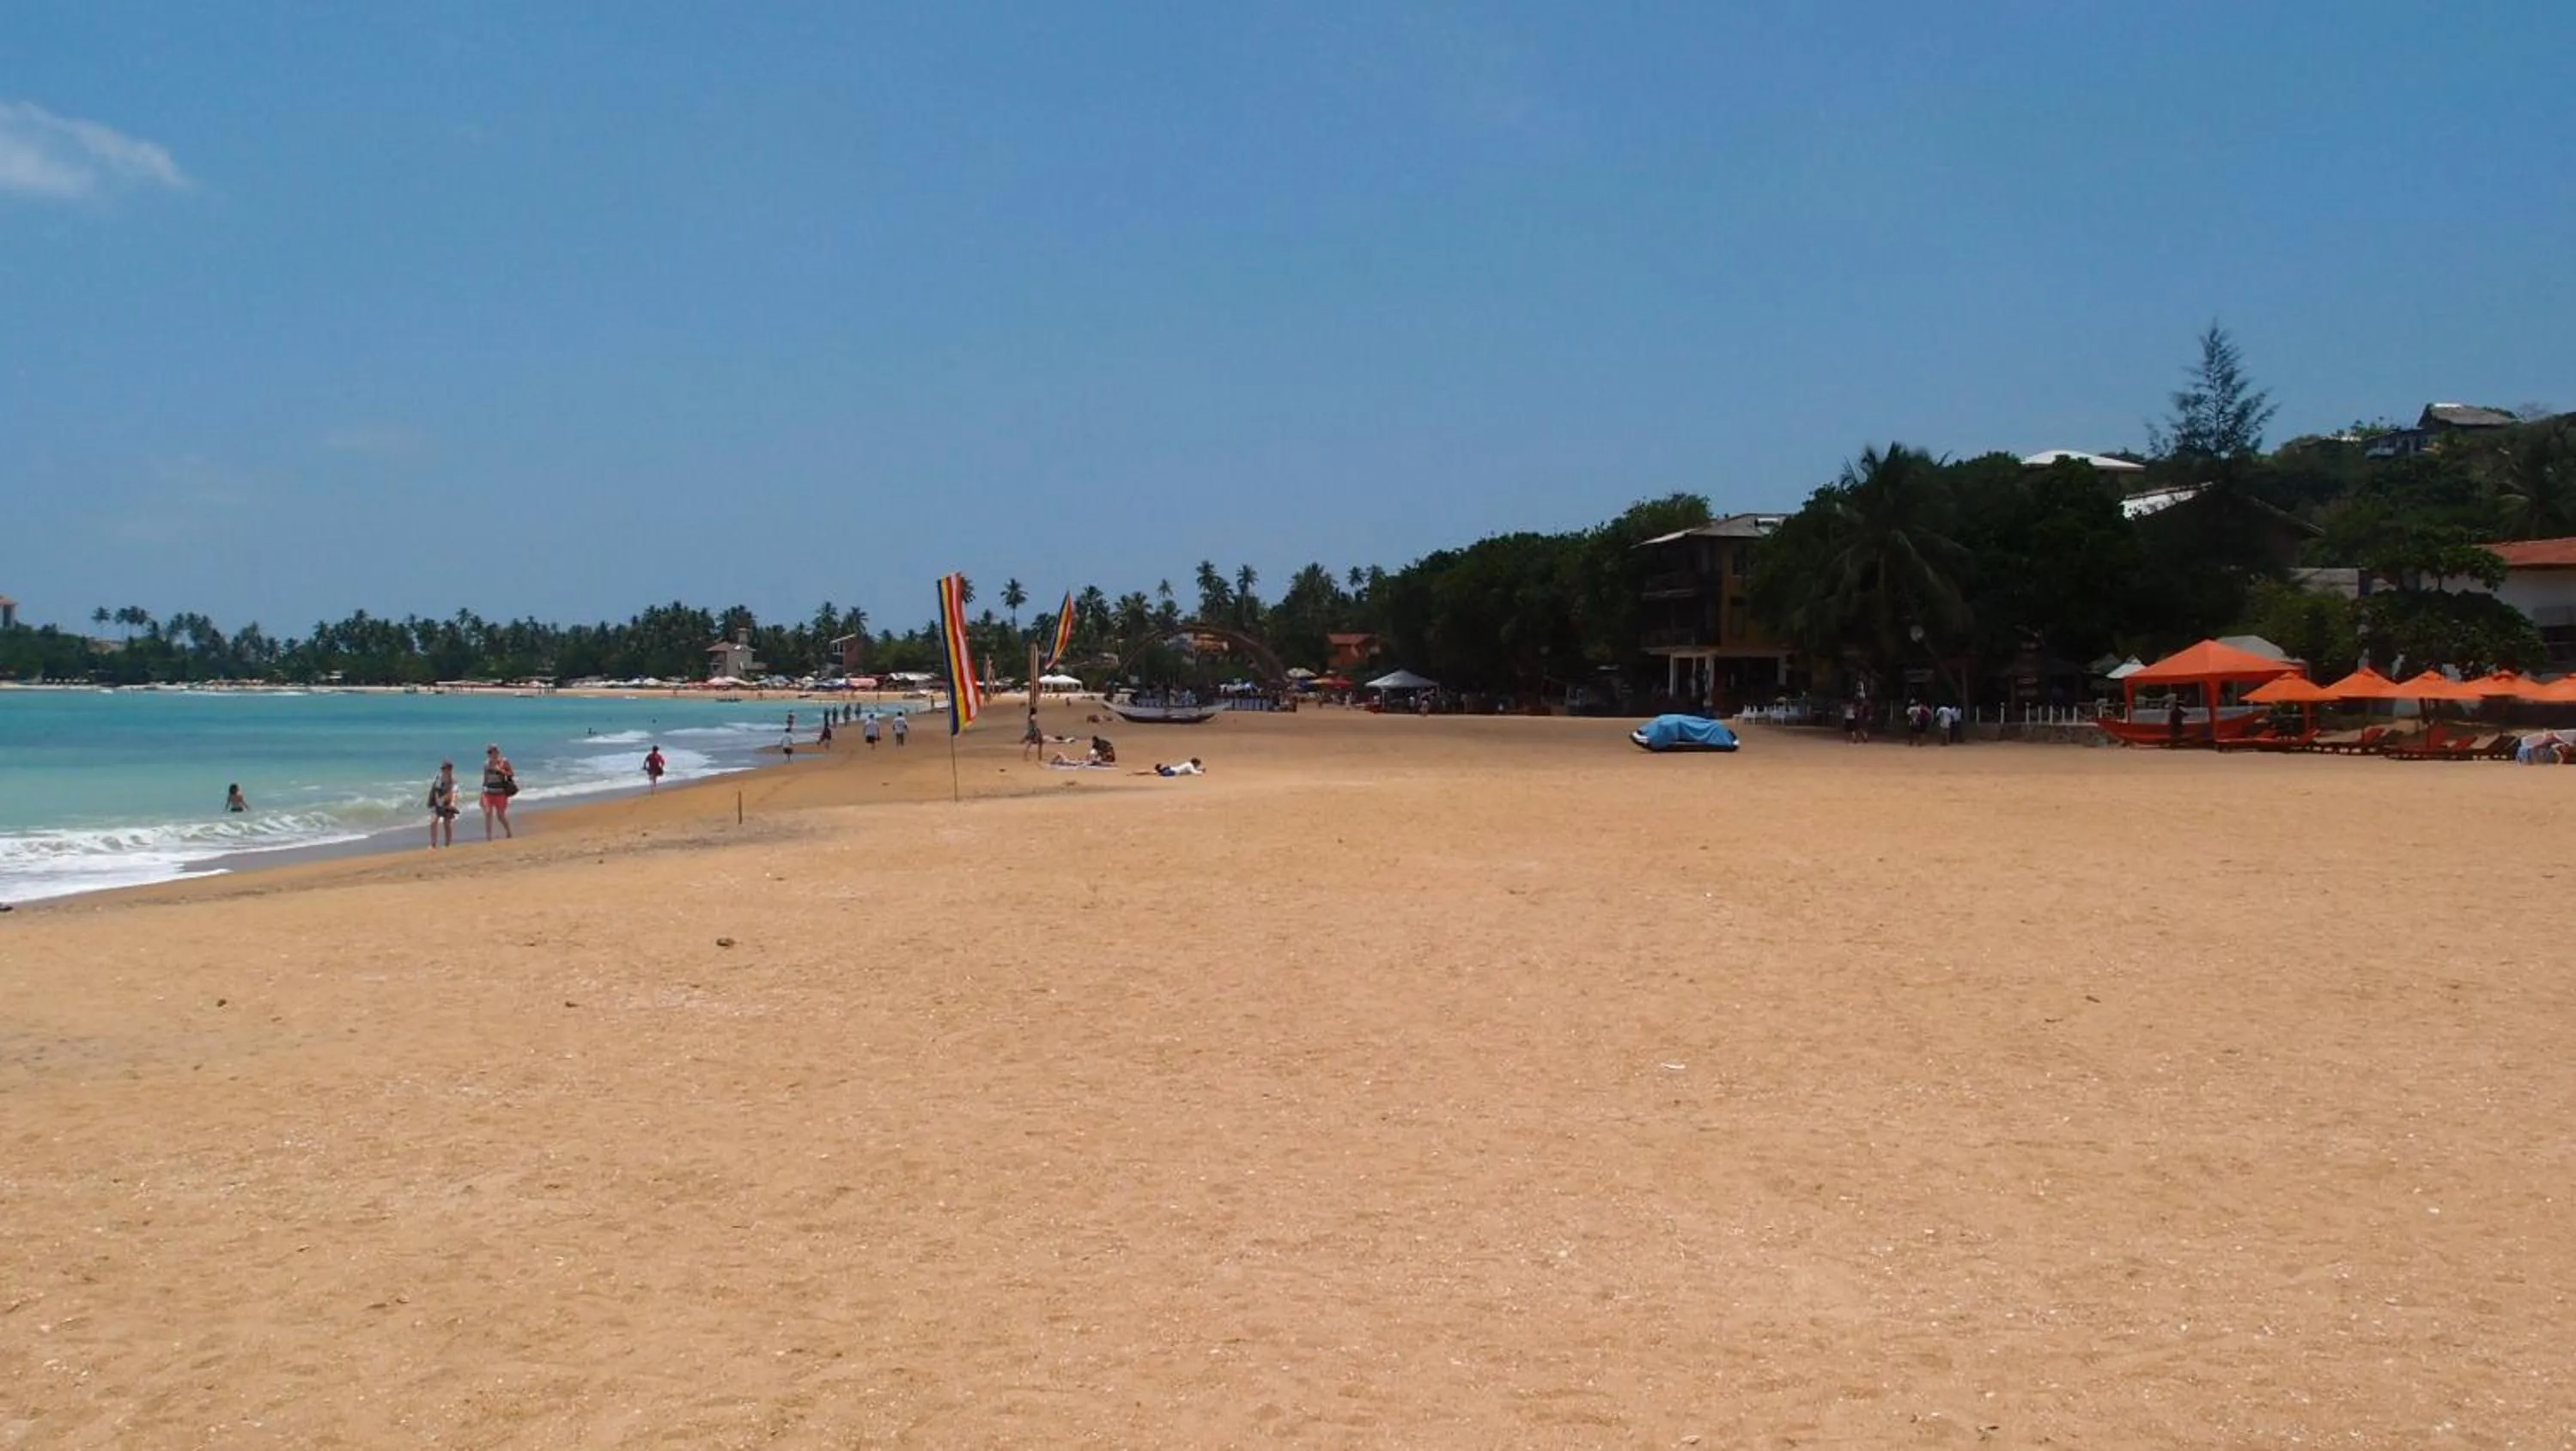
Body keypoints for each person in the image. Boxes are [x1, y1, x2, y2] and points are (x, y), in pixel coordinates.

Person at [480, 744, 517, 840]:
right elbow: (485, 780)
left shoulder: (504, 762)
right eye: (489, 752)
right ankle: (489, 837)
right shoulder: (486, 764)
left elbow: (511, 774)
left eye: (493, 752)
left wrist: (500, 770)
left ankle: (508, 831)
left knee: (500, 816)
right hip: (488, 793)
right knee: (488, 813)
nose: (491, 754)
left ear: (497, 752)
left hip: (501, 793)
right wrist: (482, 794)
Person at [427, 761, 459, 847]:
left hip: (448, 802)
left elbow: (454, 793)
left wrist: (452, 804)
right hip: (437, 801)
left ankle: (447, 844)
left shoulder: (453, 781)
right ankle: (433, 844)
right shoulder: (439, 778)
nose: (443, 771)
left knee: (447, 824)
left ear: (450, 770)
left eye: (445, 769)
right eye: (442, 769)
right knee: (433, 822)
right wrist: (439, 804)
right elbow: (436, 793)